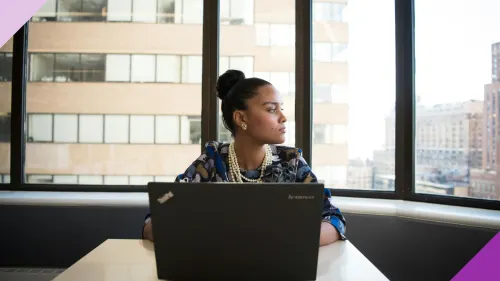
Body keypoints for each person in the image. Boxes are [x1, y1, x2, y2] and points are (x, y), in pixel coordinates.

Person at [142, 69, 346, 246]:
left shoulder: (291, 162)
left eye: (281, 109)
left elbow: (333, 218)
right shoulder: (212, 161)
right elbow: (158, 211)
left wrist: (288, 240)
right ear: (241, 118)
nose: (283, 117)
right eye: (271, 109)